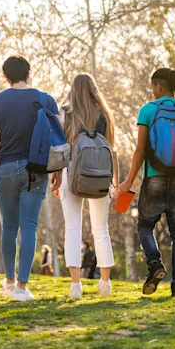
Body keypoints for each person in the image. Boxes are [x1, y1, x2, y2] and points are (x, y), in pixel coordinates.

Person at [0, 56, 62, 302]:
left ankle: (8, 280)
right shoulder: (46, 100)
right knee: (28, 227)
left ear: (5, 76)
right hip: (35, 170)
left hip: (5, 169)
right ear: (30, 72)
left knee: (9, 227)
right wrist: (57, 171)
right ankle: (22, 287)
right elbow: (58, 139)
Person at [119, 68, 175, 298]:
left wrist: (128, 181)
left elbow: (139, 150)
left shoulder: (148, 110)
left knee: (145, 226)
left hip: (154, 178)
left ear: (158, 86)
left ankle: (155, 264)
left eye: (152, 87)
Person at [56, 73, 119, 299]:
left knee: (72, 228)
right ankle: (105, 283)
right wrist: (116, 183)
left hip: (71, 174)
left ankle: (75, 285)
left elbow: (61, 148)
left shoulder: (65, 113)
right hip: (101, 176)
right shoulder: (104, 114)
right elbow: (112, 151)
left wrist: (56, 177)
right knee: (101, 229)